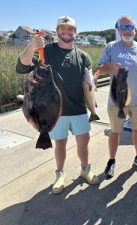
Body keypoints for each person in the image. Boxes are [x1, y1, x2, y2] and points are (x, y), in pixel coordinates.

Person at [16, 16, 99, 194]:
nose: (66, 32)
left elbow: (88, 83)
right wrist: (32, 46)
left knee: (83, 142)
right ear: (57, 31)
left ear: (75, 33)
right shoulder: (44, 51)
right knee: (60, 144)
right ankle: (60, 174)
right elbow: (21, 68)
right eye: (62, 28)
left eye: (70, 29)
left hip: (78, 108)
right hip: (53, 112)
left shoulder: (83, 56)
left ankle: (85, 169)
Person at [94, 15, 137, 179]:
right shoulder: (111, 47)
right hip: (116, 100)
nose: (127, 30)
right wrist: (109, 67)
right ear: (119, 30)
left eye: (130, 27)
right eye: (124, 27)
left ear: (135, 30)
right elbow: (100, 68)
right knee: (115, 132)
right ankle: (111, 161)